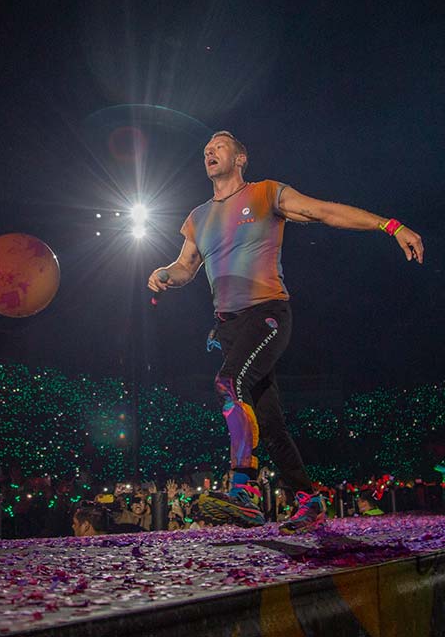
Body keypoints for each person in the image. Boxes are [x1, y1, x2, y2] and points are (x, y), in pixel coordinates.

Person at [147, 131, 423, 534]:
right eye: (207, 147)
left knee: (228, 384)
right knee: (269, 422)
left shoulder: (265, 194)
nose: (210, 150)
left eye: (220, 145)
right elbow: (186, 266)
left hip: (267, 314)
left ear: (241, 158)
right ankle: (308, 499)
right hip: (228, 326)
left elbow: (322, 211)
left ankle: (242, 491)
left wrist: (390, 225)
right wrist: (164, 274)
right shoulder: (198, 217)